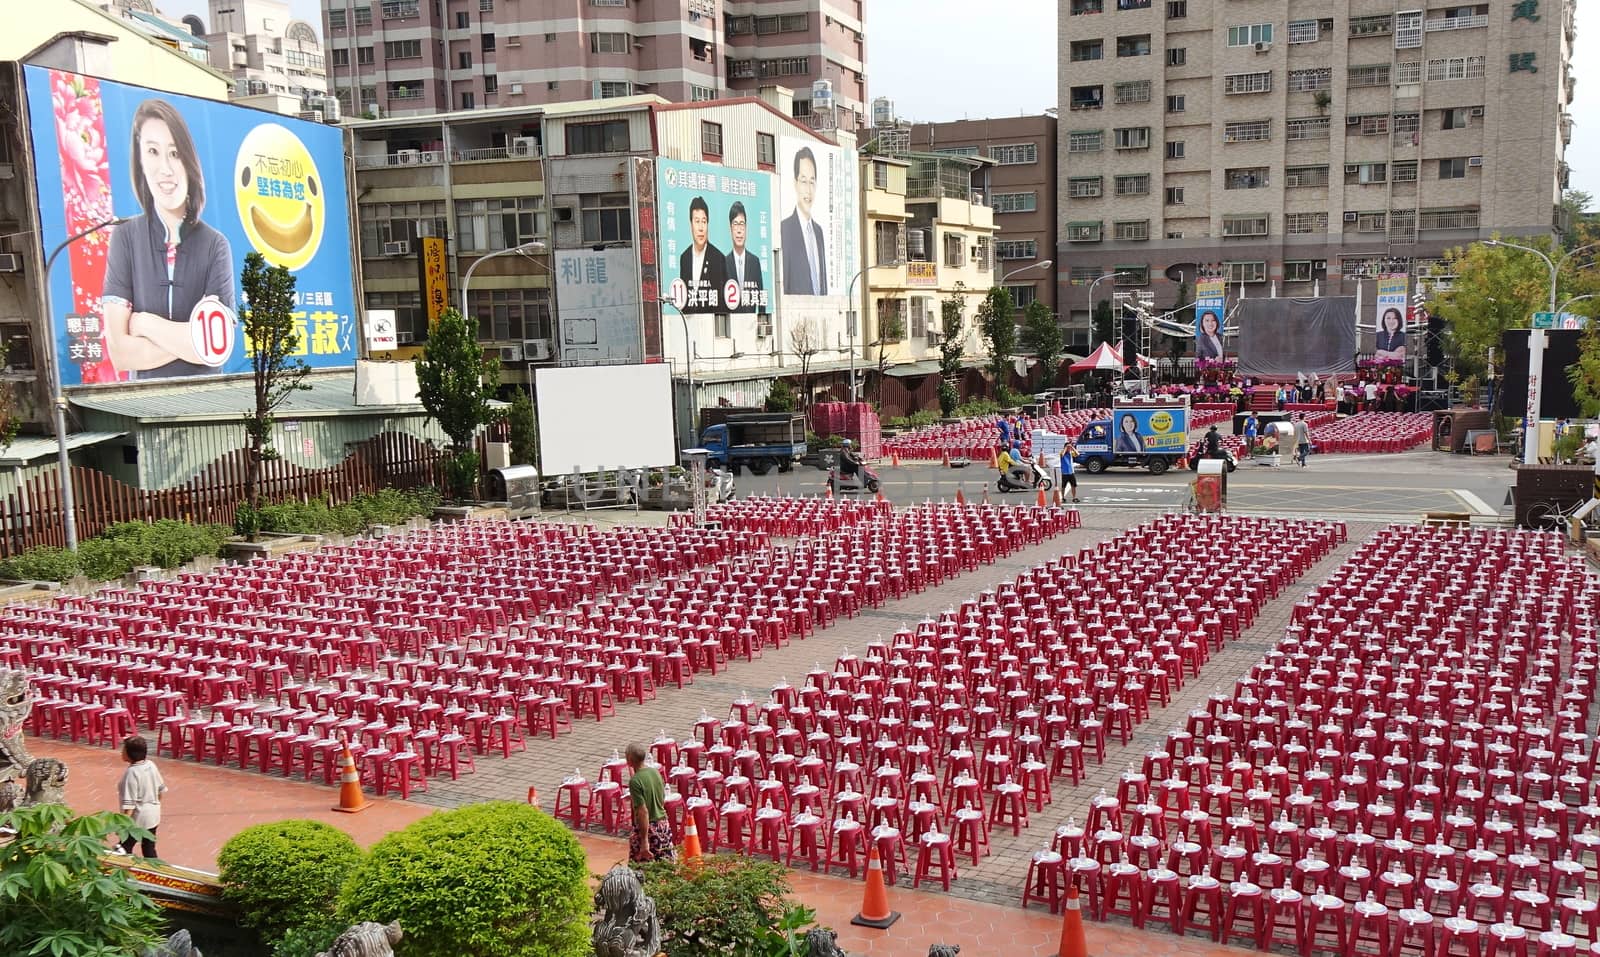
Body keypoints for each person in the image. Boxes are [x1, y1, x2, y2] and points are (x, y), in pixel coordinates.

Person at [102, 99, 235, 379]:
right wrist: (190, 339)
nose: (165, 168)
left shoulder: (215, 245)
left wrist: (146, 324)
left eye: (174, 154)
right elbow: (120, 354)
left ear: (189, 161)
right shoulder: (125, 238)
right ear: (139, 160)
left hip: (209, 403)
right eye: (152, 152)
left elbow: (216, 347)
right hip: (144, 405)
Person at [780, 147, 827, 295]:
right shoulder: (785, 229)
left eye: (812, 182)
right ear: (795, 183)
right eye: (803, 181)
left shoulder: (819, 232)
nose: (808, 190)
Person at [116, 735, 166, 858]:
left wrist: (123, 825)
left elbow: (130, 805)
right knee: (149, 848)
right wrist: (156, 806)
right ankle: (156, 872)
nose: (121, 752)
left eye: (123, 750)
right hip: (153, 813)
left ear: (129, 753)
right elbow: (160, 790)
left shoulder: (132, 773)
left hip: (138, 818)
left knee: (123, 847)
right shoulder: (151, 765)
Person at [625, 743, 674, 863]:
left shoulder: (635, 781)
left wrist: (644, 841)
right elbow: (662, 799)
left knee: (640, 871)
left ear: (630, 760)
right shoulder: (655, 772)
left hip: (649, 829)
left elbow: (643, 812)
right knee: (665, 867)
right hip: (663, 826)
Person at [678, 196, 726, 311]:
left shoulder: (718, 258)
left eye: (704, 222)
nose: (701, 228)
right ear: (691, 224)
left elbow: (722, 303)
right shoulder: (685, 258)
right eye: (697, 221)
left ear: (708, 224)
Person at [723, 201, 763, 313]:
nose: (739, 230)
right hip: (730, 324)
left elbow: (761, 300)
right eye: (735, 224)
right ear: (730, 228)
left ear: (746, 228)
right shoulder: (724, 263)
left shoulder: (755, 262)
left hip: (751, 325)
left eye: (742, 224)